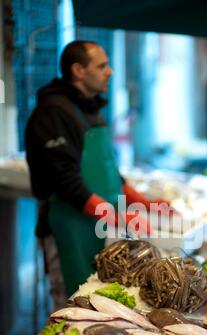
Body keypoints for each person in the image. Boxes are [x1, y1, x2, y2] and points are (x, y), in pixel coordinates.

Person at [25, 40, 171, 306]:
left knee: (102, 303)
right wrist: (116, 217)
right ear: (78, 71)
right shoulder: (53, 113)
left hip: (101, 227)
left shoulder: (89, 109)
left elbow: (110, 173)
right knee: (73, 304)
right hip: (69, 227)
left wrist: (148, 205)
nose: (110, 72)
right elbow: (66, 182)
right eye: (102, 66)